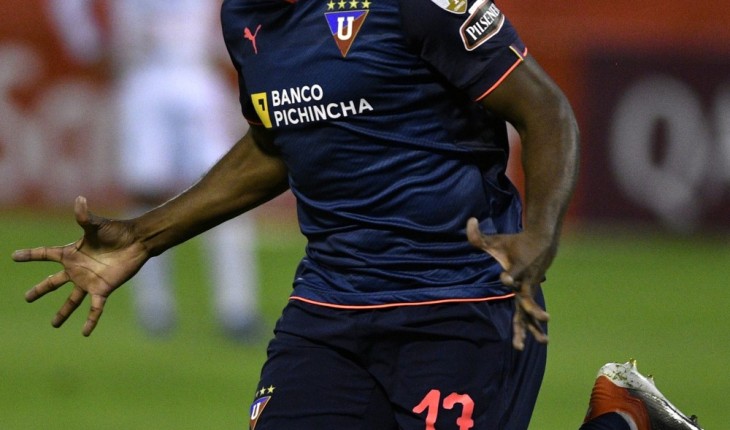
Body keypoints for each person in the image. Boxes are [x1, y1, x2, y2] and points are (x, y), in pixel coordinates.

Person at [14, 0, 703, 428]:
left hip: (457, 301)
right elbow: (277, 140)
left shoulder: (415, 5)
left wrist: (540, 236)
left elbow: (545, 108)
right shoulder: (244, 19)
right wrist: (144, 236)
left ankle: (623, 421)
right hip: (328, 310)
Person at [47, 0, 263, 339]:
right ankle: (153, 308)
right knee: (146, 193)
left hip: (196, 73)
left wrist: (233, 42)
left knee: (228, 192)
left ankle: (237, 309)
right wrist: (87, 44)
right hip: (143, 75)